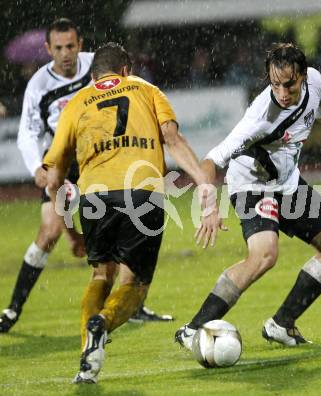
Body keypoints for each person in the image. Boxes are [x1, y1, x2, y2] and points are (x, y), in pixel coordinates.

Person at [175, 43, 321, 349]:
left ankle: (281, 324)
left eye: (289, 84)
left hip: (287, 183)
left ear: (302, 76)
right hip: (251, 185)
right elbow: (210, 162)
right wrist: (208, 205)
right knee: (264, 256)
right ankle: (193, 329)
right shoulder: (260, 118)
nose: (282, 92)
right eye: (275, 84)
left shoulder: (315, 81)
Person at [43, 42, 220, 383]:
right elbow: (173, 139)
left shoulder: (76, 103)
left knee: (99, 276)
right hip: (143, 193)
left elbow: (53, 179)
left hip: (95, 198)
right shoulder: (147, 89)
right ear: (126, 71)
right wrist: (203, 183)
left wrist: (68, 227)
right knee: (135, 285)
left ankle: (88, 361)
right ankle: (103, 324)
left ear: (92, 76)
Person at [0, 19, 168, 334]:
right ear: (48, 49)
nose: (66, 54)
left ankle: (132, 304)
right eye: (59, 48)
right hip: (64, 162)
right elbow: (27, 132)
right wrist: (37, 166)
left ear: (80, 44)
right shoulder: (39, 84)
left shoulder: (98, 67)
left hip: (101, 157)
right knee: (50, 231)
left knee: (121, 226)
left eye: (71, 46)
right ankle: (13, 308)